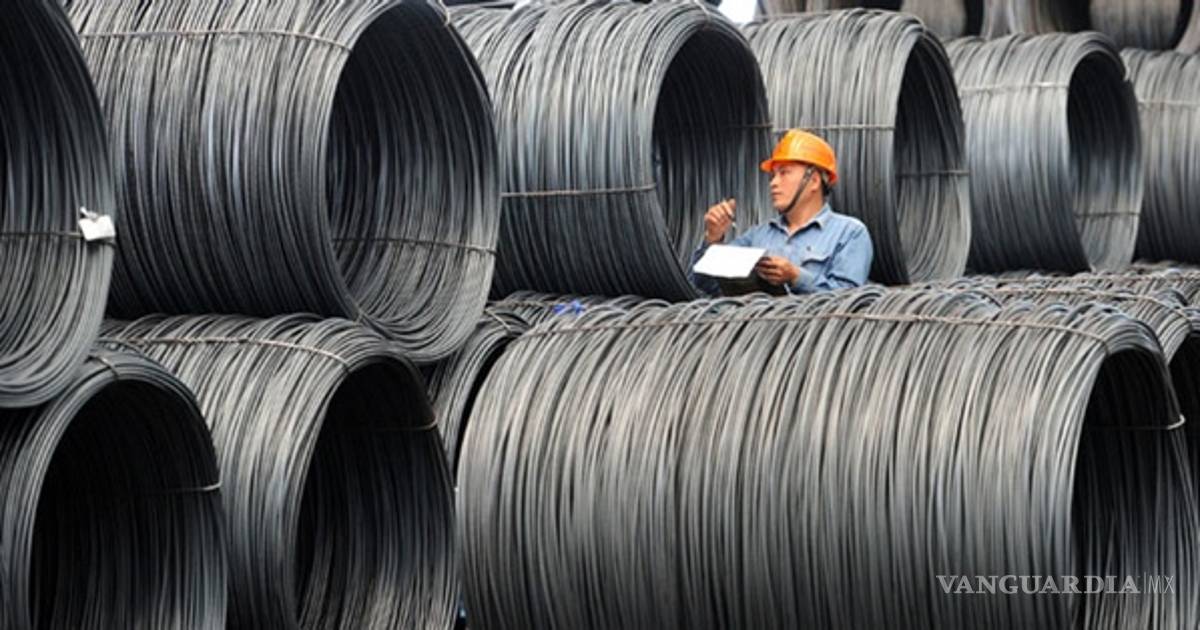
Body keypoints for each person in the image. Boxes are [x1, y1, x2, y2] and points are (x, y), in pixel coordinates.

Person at [689, 129, 874, 296]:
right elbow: (706, 284)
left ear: (814, 181)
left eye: (784, 173)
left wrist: (796, 277)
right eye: (773, 175)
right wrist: (713, 238)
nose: (773, 183)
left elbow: (848, 301)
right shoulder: (757, 236)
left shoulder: (849, 234)